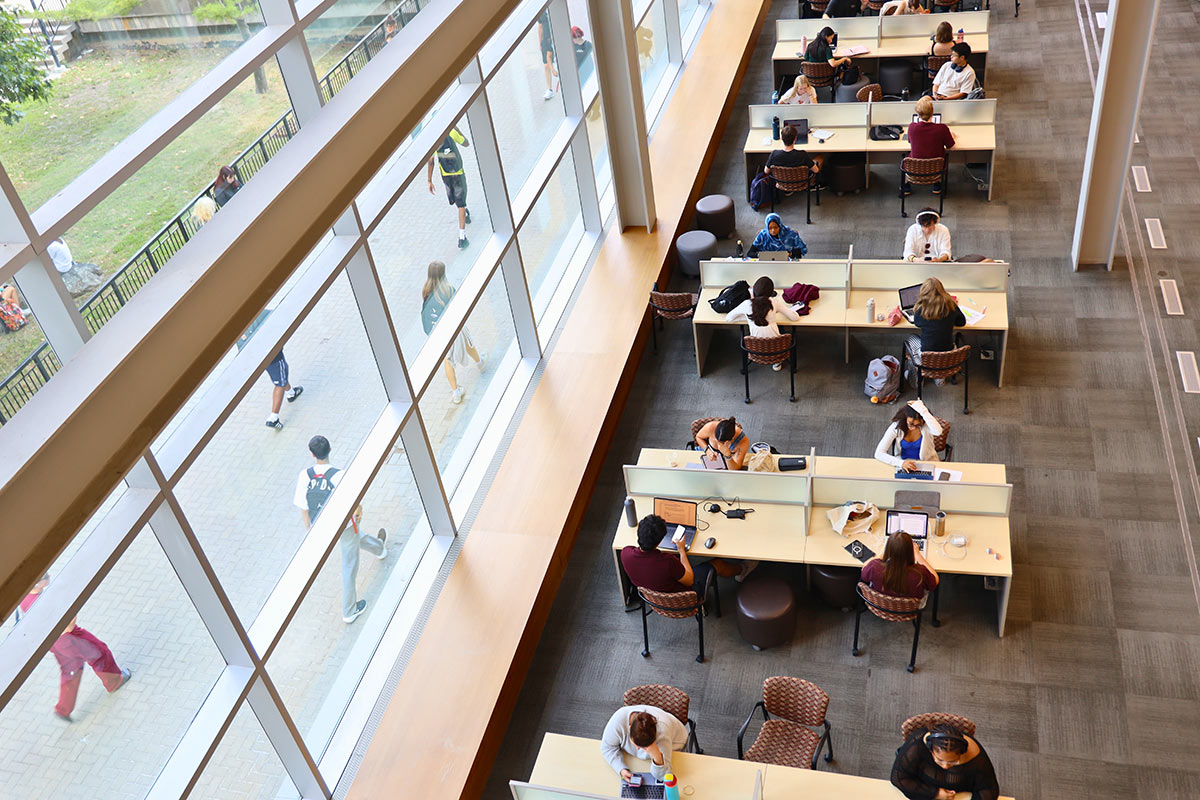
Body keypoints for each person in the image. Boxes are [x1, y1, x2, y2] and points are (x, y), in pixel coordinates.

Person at [294, 435, 388, 624]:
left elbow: (303, 506)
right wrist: (359, 510)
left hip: (320, 527)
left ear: (312, 454)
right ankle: (349, 610)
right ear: (330, 450)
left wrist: (309, 530)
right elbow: (354, 500)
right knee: (349, 564)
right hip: (343, 526)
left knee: (356, 538)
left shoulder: (305, 475)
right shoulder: (339, 475)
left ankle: (380, 548)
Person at [20, 575, 131, 722]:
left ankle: (63, 709)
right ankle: (115, 682)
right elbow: (68, 626)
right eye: (45, 576)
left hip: (53, 643)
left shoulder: (25, 599)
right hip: (70, 638)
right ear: (36, 583)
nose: (48, 576)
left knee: (70, 670)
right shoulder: (46, 603)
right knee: (100, 653)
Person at [421, 261, 484, 404]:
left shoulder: (426, 291)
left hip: (439, 332)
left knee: (447, 359)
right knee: (468, 342)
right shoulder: (448, 290)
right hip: (454, 326)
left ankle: (456, 392)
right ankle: (479, 362)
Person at [891, 723, 1001, 800]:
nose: (945, 766)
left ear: (962, 752)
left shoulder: (977, 758)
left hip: (959, 793)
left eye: (953, 762)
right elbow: (898, 778)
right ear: (931, 750)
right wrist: (936, 793)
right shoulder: (916, 746)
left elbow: (989, 789)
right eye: (939, 760)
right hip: (925, 787)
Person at [725, 277, 801, 370]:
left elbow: (729, 318)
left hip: (755, 351)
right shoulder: (774, 303)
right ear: (771, 292)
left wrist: (747, 316)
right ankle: (777, 363)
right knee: (780, 328)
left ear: (754, 291)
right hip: (778, 351)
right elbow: (795, 318)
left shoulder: (746, 304)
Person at [600, 704, 689, 782]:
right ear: (629, 727)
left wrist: (657, 757)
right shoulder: (618, 720)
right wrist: (621, 769)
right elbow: (607, 747)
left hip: (676, 743)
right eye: (637, 744)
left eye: (645, 748)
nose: (638, 749)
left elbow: (666, 777)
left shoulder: (663, 734)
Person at [904, 277, 966, 381]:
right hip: (948, 355)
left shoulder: (921, 308)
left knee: (911, 337)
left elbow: (917, 324)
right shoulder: (950, 305)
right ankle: (940, 377)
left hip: (926, 356)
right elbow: (961, 322)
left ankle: (916, 375)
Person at [427, 128, 473, 249]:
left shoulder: (434, 141)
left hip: (446, 176)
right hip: (458, 174)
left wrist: (429, 180)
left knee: (458, 201)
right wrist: (457, 129)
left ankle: (464, 213)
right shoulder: (451, 132)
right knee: (461, 203)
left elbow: (431, 161)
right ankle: (462, 237)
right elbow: (466, 143)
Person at [862, 531, 939, 597]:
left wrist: (882, 556)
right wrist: (918, 556)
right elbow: (935, 581)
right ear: (910, 551)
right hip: (909, 610)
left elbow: (864, 574)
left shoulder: (873, 566)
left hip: (881, 606)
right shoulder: (920, 573)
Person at [875, 398, 945, 470]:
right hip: (904, 463)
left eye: (918, 425)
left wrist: (923, 411)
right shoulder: (896, 427)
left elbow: (938, 432)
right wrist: (901, 463)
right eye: (910, 424)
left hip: (927, 462)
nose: (914, 428)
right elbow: (879, 453)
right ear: (905, 418)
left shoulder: (926, 425)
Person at [905, 96, 955, 195]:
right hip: (936, 170)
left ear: (918, 114)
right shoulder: (942, 128)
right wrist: (951, 135)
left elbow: (910, 142)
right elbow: (951, 146)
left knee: (906, 156)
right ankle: (937, 184)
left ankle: (906, 186)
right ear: (932, 112)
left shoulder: (912, 127)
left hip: (915, 170)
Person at [263, 350, 303, 430]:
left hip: (265, 360)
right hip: (275, 359)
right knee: (280, 384)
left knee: (281, 377)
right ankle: (273, 418)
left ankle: (291, 393)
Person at [537, 9, 559, 100]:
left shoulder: (553, 8)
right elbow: (540, 27)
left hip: (555, 37)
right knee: (546, 65)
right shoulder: (541, 10)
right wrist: (540, 42)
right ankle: (550, 89)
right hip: (546, 40)